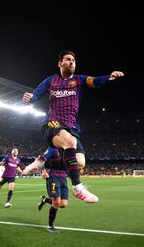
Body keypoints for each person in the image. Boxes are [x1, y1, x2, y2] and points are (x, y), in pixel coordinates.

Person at [23, 50, 124, 203]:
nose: (71, 62)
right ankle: (78, 187)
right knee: (70, 142)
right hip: (52, 124)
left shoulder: (79, 80)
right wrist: (29, 98)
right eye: (68, 59)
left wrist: (109, 77)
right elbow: (36, 95)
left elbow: (95, 81)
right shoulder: (50, 81)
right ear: (60, 63)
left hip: (71, 127)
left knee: (80, 162)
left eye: (73, 60)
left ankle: (43, 163)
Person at [34, 147, 69, 234]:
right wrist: (43, 171)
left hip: (63, 178)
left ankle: (44, 200)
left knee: (63, 204)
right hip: (53, 177)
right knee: (56, 202)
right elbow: (41, 161)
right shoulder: (53, 149)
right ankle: (50, 226)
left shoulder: (68, 150)